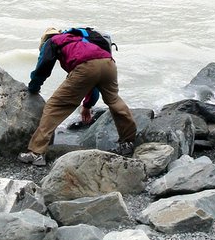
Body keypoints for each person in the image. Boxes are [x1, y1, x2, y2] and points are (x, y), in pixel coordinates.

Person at [18, 27, 137, 166]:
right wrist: (87, 105)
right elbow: (93, 81)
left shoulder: (53, 41)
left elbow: (43, 67)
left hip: (86, 66)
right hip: (108, 63)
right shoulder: (79, 39)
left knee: (55, 106)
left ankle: (36, 153)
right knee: (114, 100)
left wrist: (34, 87)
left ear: (45, 39)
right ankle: (128, 142)